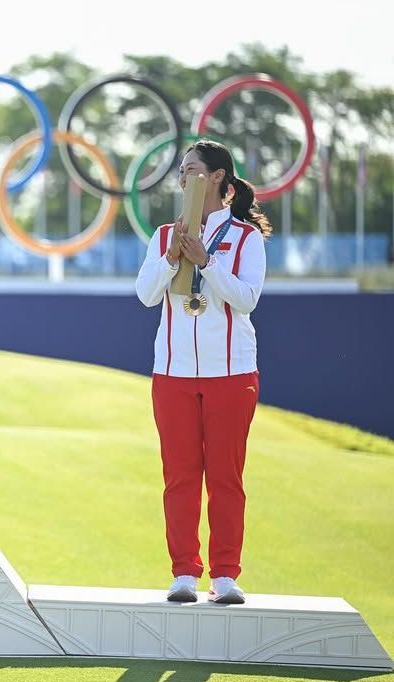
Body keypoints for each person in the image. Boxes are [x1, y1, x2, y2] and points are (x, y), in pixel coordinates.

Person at [135, 139, 271, 605]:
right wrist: (173, 254)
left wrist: (206, 261)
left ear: (217, 178)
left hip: (231, 371)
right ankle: (184, 574)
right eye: (181, 169)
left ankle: (226, 575)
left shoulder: (245, 238)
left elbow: (247, 299)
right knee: (180, 475)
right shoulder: (162, 235)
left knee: (225, 477)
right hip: (171, 372)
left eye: (192, 169)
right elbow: (146, 294)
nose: (182, 176)